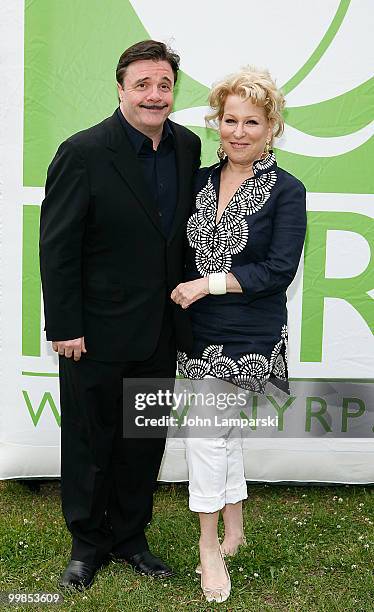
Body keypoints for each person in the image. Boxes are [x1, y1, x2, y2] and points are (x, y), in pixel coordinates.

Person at [39, 40, 201, 590]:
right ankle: (88, 544)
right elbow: (58, 247)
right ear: (120, 88)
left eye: (164, 85)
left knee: (143, 441)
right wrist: (65, 327)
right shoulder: (82, 152)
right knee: (90, 442)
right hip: (94, 332)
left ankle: (132, 538)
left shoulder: (187, 147)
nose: (155, 95)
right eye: (143, 84)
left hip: (160, 329)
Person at [171, 67, 307, 603]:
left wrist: (207, 285)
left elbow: (278, 270)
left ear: (271, 127)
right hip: (195, 330)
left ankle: (209, 549)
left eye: (252, 122)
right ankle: (235, 527)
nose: (239, 132)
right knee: (221, 433)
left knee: (204, 434)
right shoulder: (199, 181)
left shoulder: (286, 190)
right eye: (229, 120)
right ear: (216, 123)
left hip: (248, 331)